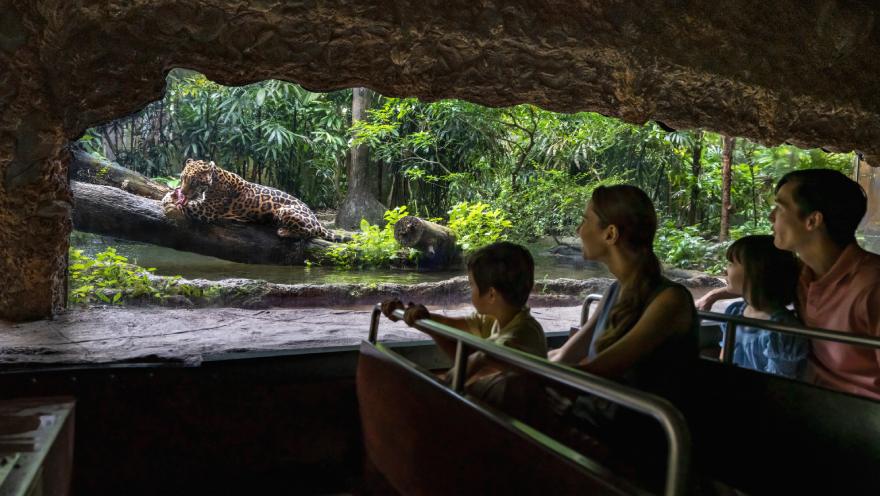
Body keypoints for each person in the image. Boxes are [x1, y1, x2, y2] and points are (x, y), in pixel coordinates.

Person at [698, 169, 880, 399]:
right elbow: (755, 280)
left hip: (857, 415)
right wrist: (715, 294)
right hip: (807, 399)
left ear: (812, 220)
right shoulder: (802, 274)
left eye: (781, 207)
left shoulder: (872, 287)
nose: (771, 216)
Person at [381, 241, 546, 400]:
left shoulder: (521, 336)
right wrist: (408, 314)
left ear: (491, 295)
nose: (470, 291)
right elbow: (447, 326)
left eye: (472, 285)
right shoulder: (496, 319)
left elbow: (472, 370)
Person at [718, 235, 808, 378]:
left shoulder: (781, 330)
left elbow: (778, 386)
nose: (725, 271)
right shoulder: (734, 311)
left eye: (731, 264)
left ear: (754, 271)